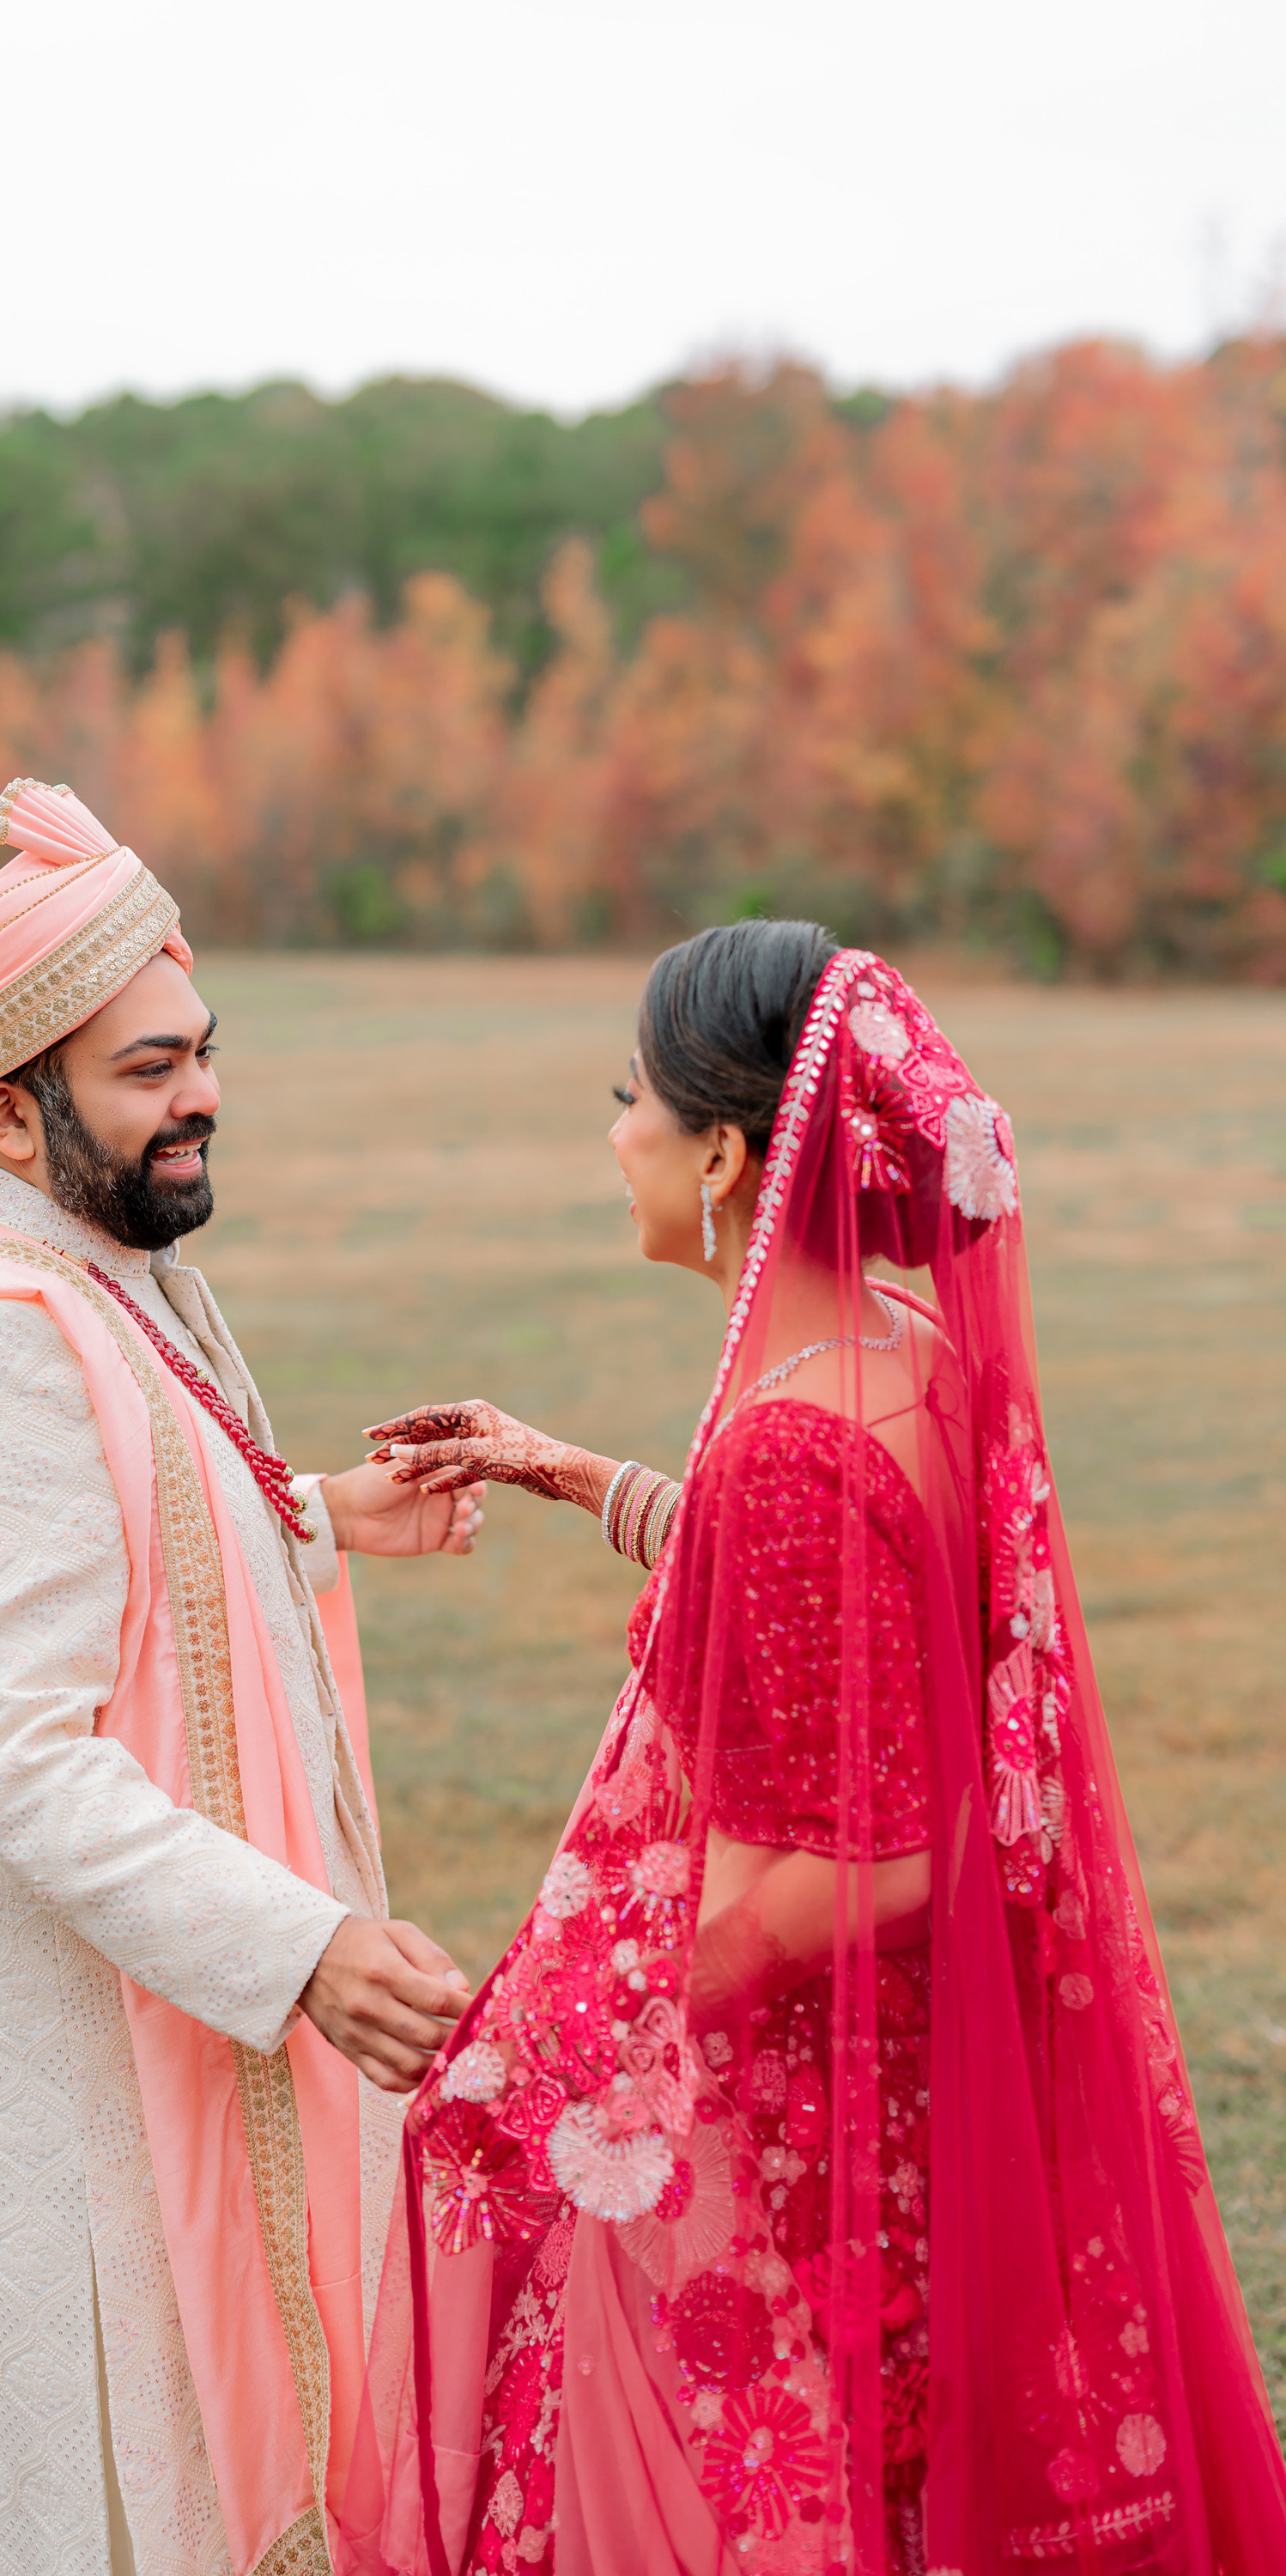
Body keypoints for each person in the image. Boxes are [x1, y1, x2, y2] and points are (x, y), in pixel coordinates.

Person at [342, 922, 1286, 2576]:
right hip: (896, 2072)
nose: (611, 1136)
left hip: (784, 2101)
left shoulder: (793, 1440)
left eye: (627, 1099)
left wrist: (607, 2029)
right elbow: (818, 1632)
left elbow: (880, 1859)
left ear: (718, 1151)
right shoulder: (897, 1361)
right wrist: (577, 1474)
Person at [0, 777, 487, 2576]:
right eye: (145, 1072)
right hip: (71, 2090)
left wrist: (320, 1516)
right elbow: (11, 1755)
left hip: (157, 2040)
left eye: (198, 1052)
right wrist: (299, 1948)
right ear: (0, 1106)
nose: (198, 1094)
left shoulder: (100, 1272)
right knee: (106, 2497)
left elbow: (142, 1524)